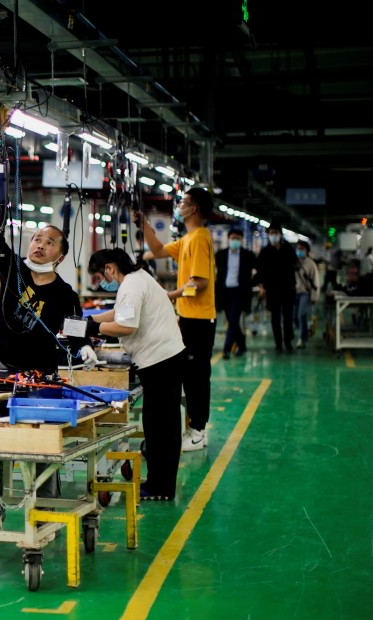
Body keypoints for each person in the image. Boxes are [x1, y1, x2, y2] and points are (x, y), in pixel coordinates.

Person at [0, 202, 97, 530]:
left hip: (44, 376)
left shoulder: (65, 294)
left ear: (61, 256)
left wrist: (83, 347)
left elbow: (75, 330)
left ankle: (45, 512)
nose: (39, 244)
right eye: (36, 238)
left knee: (42, 446)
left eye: (49, 241)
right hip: (4, 369)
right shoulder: (13, 270)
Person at [86, 248, 185, 500]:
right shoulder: (137, 279)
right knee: (161, 425)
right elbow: (121, 313)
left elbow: (126, 326)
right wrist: (90, 319)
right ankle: (162, 484)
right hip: (166, 358)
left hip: (160, 361)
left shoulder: (130, 285)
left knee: (160, 428)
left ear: (109, 268)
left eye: (99, 277)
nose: (101, 283)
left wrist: (93, 328)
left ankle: (160, 487)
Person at [138, 186, 216, 453]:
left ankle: (198, 431)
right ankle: (195, 428)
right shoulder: (188, 238)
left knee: (196, 376)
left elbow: (201, 282)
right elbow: (158, 250)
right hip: (188, 318)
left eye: (183, 202)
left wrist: (168, 295)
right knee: (189, 374)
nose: (179, 206)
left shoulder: (199, 239)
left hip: (199, 320)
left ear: (193, 208)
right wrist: (144, 224)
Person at [253, 225, 297, 353]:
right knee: (275, 318)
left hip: (288, 289)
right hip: (272, 290)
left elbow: (294, 263)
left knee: (288, 317)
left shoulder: (288, 249)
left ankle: (288, 341)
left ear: (280, 235)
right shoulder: (265, 251)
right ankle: (278, 343)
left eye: (276, 233)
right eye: (271, 233)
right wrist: (262, 286)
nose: (273, 235)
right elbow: (260, 270)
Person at [214, 228, 256, 359]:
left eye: (238, 238)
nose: (235, 241)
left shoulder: (248, 255)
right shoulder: (220, 255)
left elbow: (260, 270)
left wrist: (251, 284)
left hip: (239, 292)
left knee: (232, 320)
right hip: (225, 292)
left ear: (241, 240)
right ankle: (242, 345)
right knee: (232, 321)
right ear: (228, 239)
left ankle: (226, 349)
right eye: (233, 238)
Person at [292, 241, 321, 349]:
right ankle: (303, 332)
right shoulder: (293, 262)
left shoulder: (311, 264)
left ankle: (302, 339)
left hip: (305, 293)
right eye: (298, 248)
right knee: (294, 317)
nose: (299, 250)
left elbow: (316, 281)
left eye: (302, 249)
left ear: (307, 251)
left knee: (301, 315)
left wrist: (315, 296)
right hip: (295, 293)